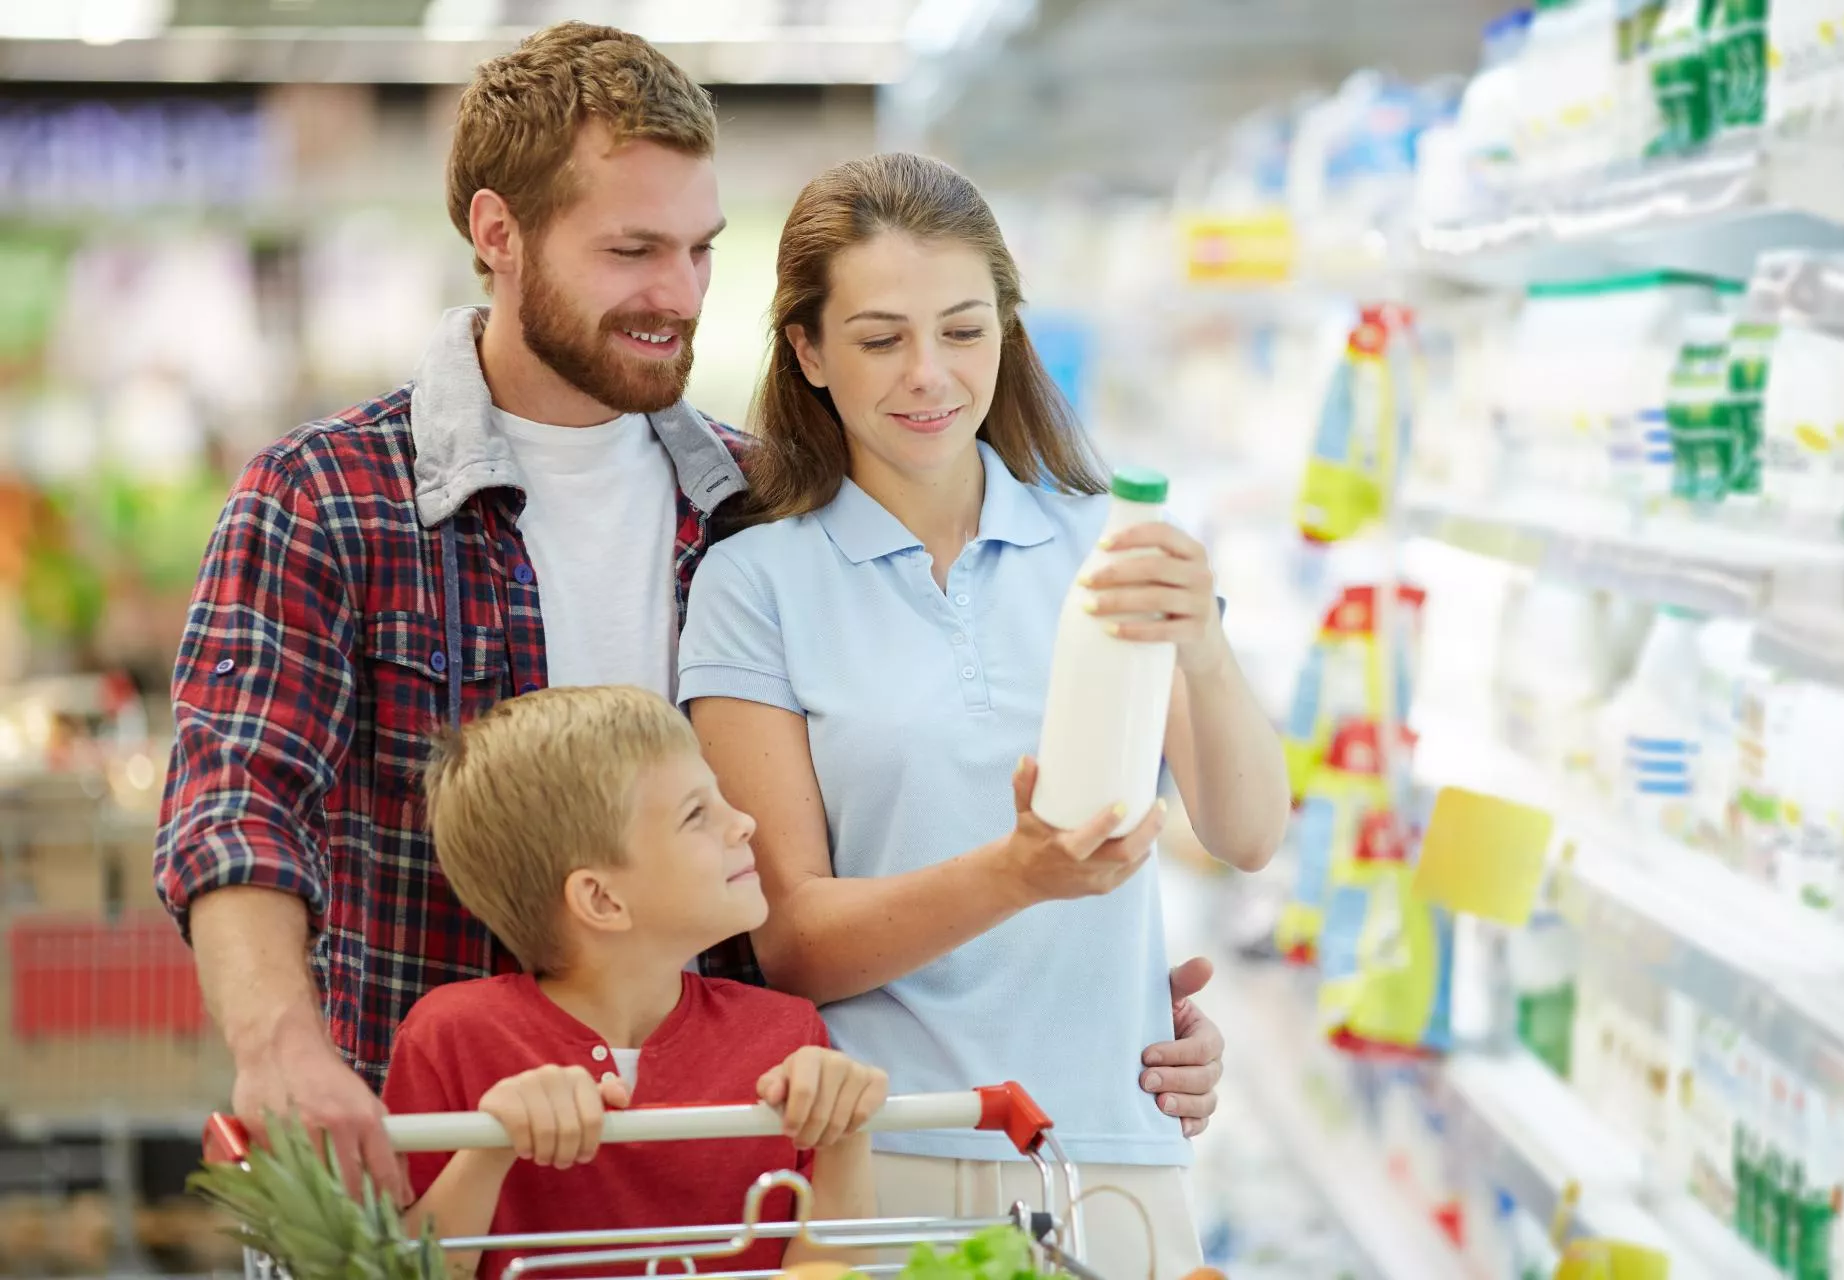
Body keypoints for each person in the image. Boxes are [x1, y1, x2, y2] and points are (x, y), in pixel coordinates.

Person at [154, 19, 1223, 1211]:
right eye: (632, 250)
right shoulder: (328, 496)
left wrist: (1107, 998)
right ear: (497, 234)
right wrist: (278, 1045)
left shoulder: (759, 507)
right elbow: (237, 799)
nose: (679, 293)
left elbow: (875, 838)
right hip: (431, 1168)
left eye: (702, 249)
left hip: (721, 1180)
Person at [677, 152, 1292, 1275]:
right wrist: (1019, 871)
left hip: (1111, 1150)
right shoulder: (756, 582)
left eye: (964, 329)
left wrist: (1202, 639)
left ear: (1009, 329)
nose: (929, 374)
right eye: (879, 338)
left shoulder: (1105, 540)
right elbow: (793, 941)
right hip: (884, 1155)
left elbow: (1250, 830)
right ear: (807, 351)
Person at [384, 685, 885, 1279]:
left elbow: (829, 1267)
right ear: (600, 898)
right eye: (697, 814)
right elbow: (400, 1270)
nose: (745, 822)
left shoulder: (788, 1032)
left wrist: (845, 1133)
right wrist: (490, 1149)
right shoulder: (451, 1035)